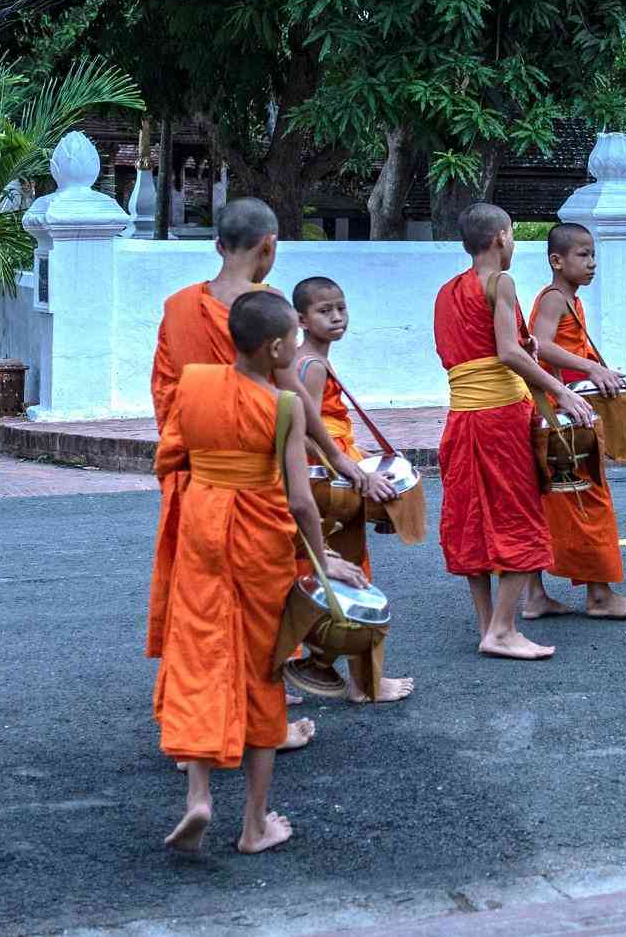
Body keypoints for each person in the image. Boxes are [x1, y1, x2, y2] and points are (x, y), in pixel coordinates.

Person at [151, 290, 368, 855]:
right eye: (293, 340)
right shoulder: (285, 407)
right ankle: (253, 824)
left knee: (201, 655)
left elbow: (171, 458)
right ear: (275, 347)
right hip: (258, 542)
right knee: (262, 670)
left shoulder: (195, 384)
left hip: (202, 530)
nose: (298, 348)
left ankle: (199, 795)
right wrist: (322, 563)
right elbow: (300, 501)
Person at [147, 199, 384, 696]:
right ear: (269, 246)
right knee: (262, 599)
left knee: (203, 602)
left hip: (198, 478)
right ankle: (262, 720)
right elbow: (290, 394)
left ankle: (204, 715)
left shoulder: (178, 309)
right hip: (258, 480)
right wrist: (338, 457)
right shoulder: (269, 307)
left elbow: (168, 399)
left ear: (217, 244)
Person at [434, 203, 597, 660]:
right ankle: (502, 632)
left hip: (462, 417)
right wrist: (559, 392)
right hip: (500, 417)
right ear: (501, 238)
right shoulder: (499, 282)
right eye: (511, 235)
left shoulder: (447, 292)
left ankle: (489, 624)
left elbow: (465, 357)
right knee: (516, 514)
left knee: (473, 517)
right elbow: (508, 353)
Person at [285, 275, 414, 703]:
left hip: (326, 480)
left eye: (341, 308)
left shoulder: (305, 361)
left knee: (318, 577)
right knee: (354, 577)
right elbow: (302, 434)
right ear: (301, 319)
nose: (337, 317)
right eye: (325, 311)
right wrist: (354, 471)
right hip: (328, 487)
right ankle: (365, 684)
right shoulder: (312, 365)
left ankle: (299, 673)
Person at [522, 223, 626, 620]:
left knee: (550, 500)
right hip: (558, 413)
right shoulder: (555, 298)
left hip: (560, 408)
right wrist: (590, 369)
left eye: (593, 254)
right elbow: (539, 346)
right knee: (587, 497)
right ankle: (598, 595)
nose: (592, 263)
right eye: (583, 255)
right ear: (557, 261)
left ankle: (535, 596)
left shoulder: (570, 300)